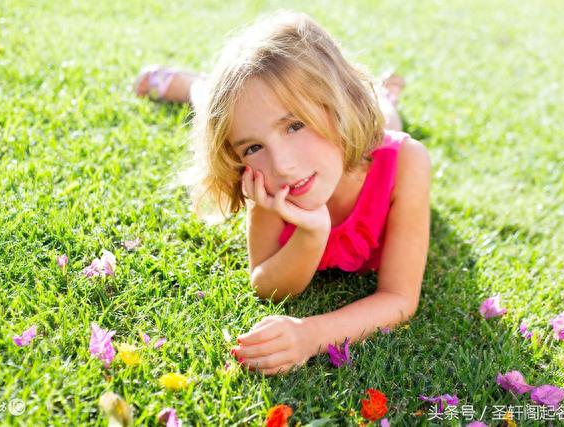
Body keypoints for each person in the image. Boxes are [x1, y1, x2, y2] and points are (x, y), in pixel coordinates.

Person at [149, 10, 431, 375]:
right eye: (252, 147)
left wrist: (311, 334)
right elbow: (267, 285)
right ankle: (191, 85)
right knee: (222, 102)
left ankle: (385, 92)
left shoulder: (406, 163)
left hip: (370, 124)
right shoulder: (265, 175)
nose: (282, 164)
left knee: (384, 113)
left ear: (336, 102)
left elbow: (399, 299)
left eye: (294, 125)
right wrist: (312, 232)